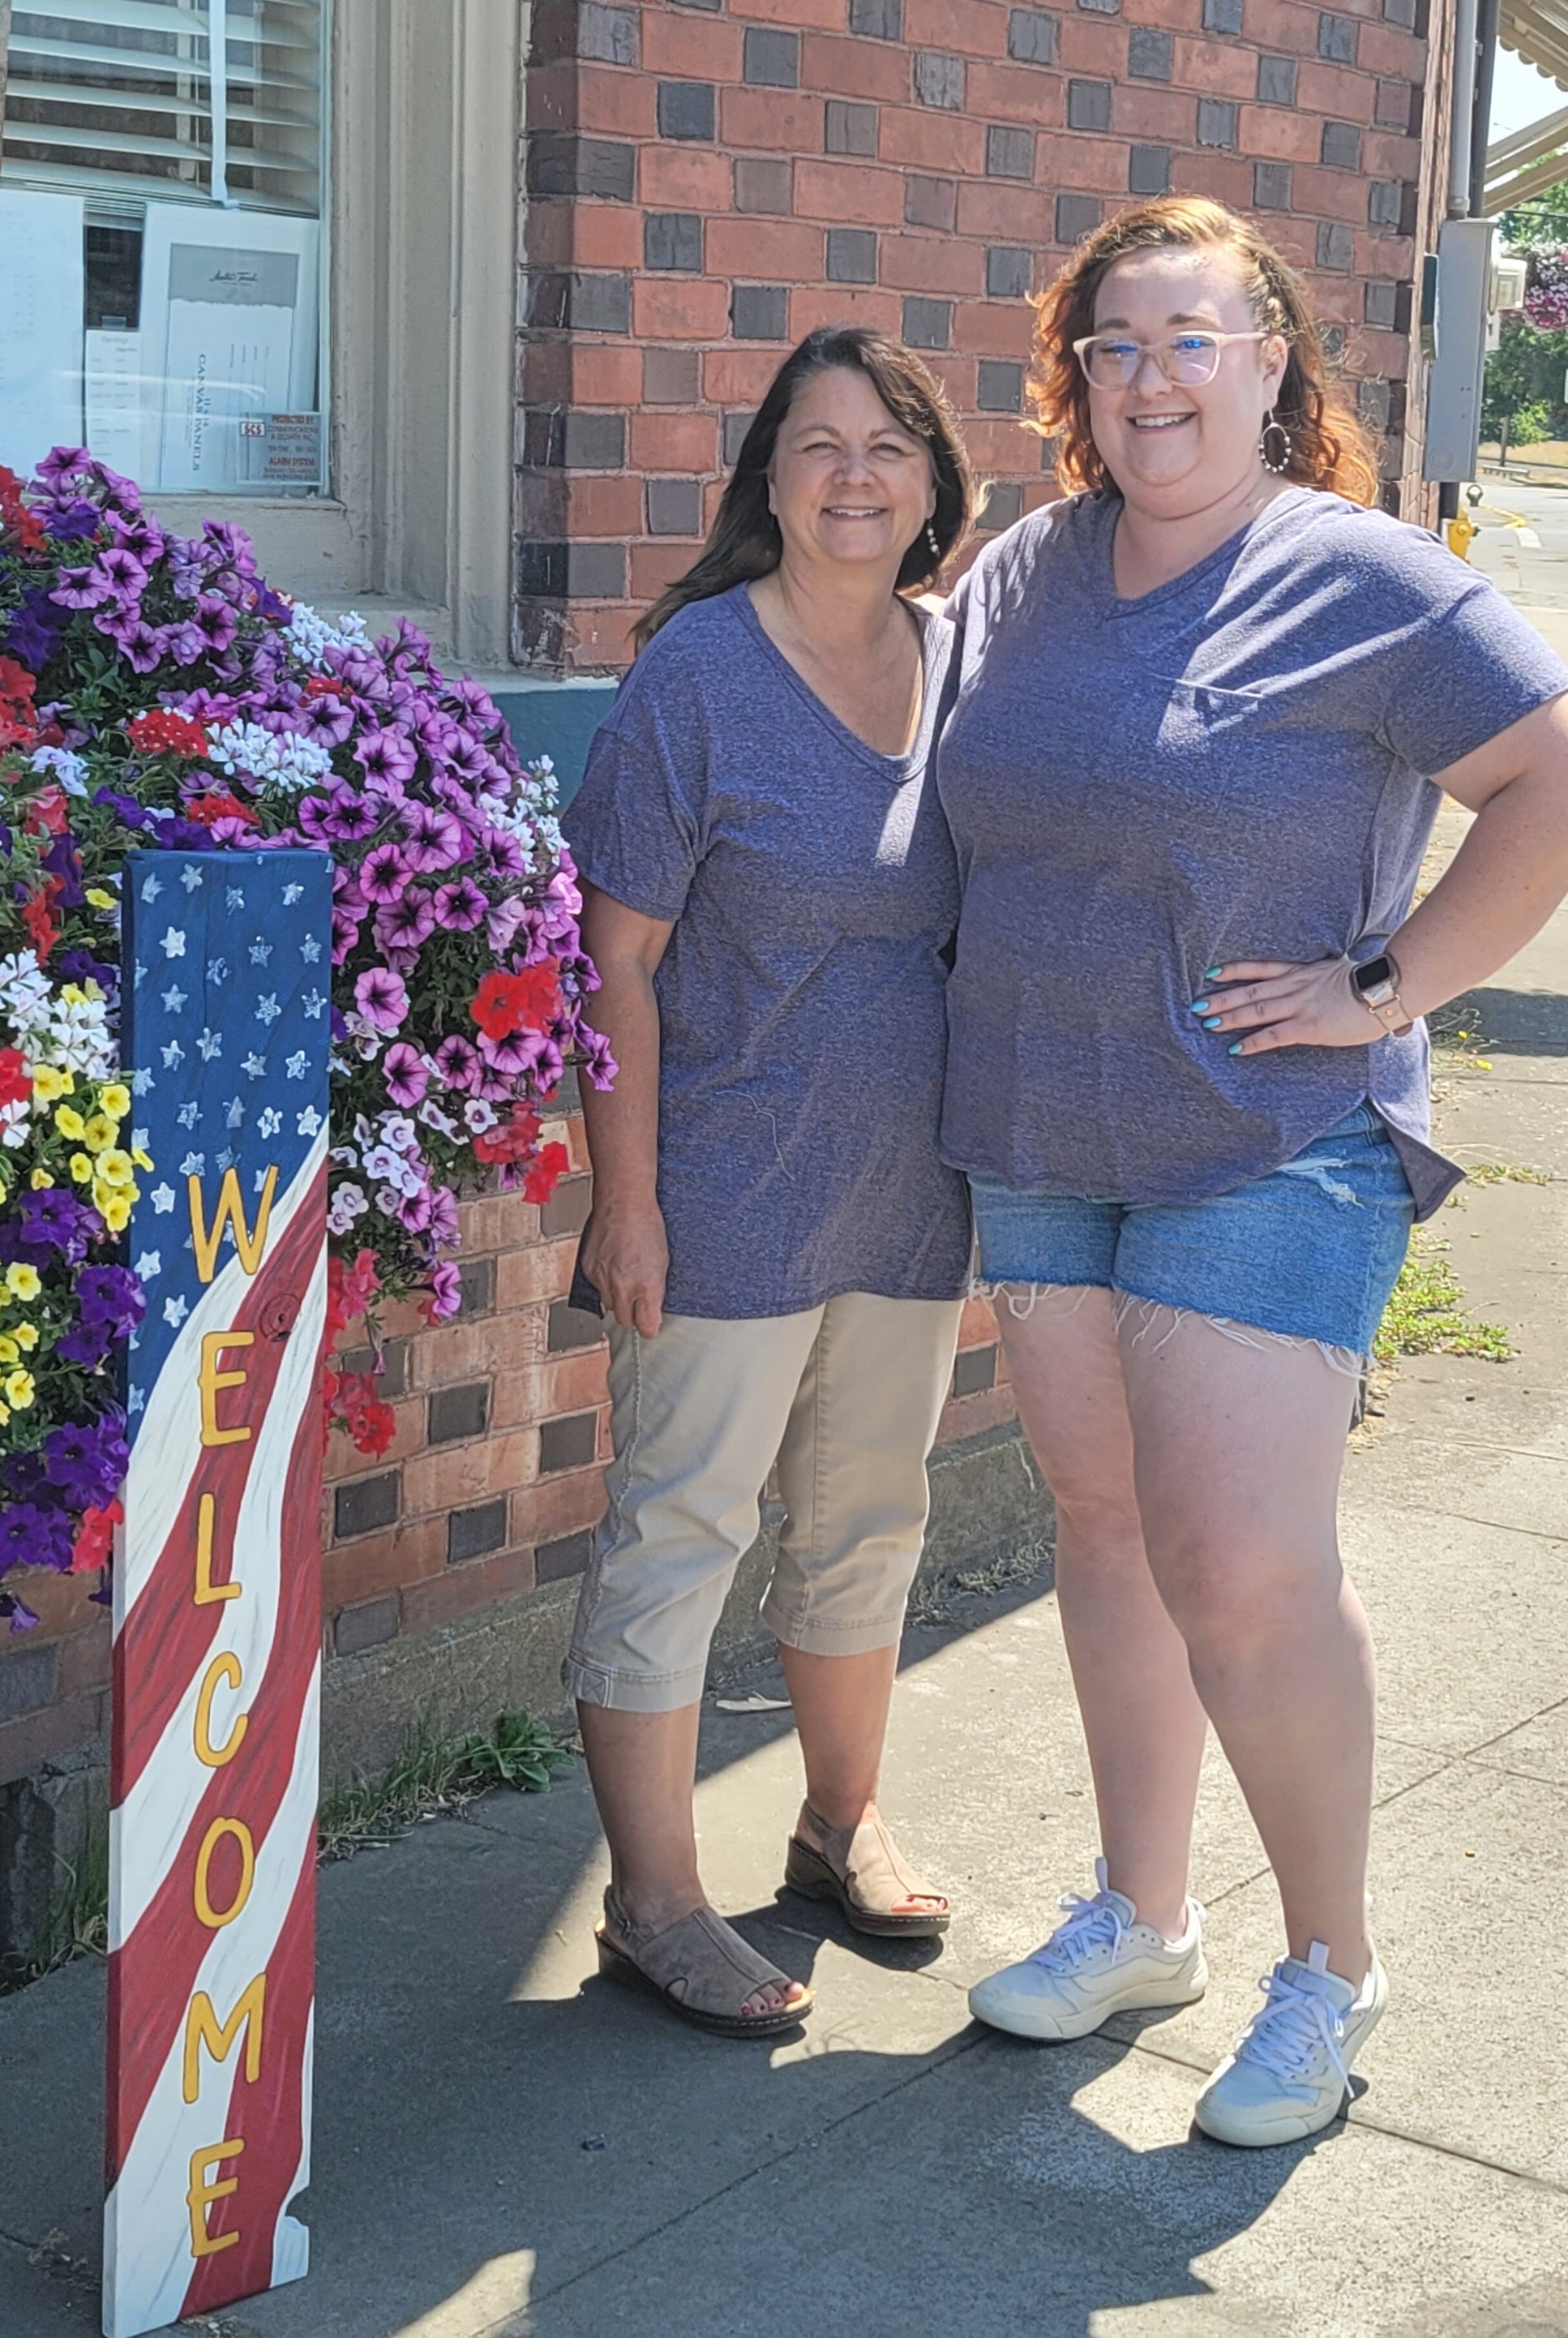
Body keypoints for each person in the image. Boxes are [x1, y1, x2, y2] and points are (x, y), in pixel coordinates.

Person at [937, 199, 1568, 2142]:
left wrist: (1386, 978)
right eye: (1112, 344)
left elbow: (1563, 782)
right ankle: (1140, 1911)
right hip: (1040, 1129)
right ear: (1073, 376)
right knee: (1103, 1528)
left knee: (1240, 1565)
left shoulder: (1365, 579)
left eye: (1190, 336)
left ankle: (1327, 1970)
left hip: (1266, 1138)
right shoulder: (1026, 573)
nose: (1148, 377)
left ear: (1267, 359)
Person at [558, 328, 975, 2038]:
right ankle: (652, 1900)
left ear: (935, 480)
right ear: (768, 478)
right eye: (816, 444)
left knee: (869, 1521)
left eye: (887, 445)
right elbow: (615, 961)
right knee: (680, 1530)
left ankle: (834, 1822)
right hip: (723, 1184)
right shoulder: (700, 675)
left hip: (911, 1190)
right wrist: (626, 1197)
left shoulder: (965, 661)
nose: (853, 474)